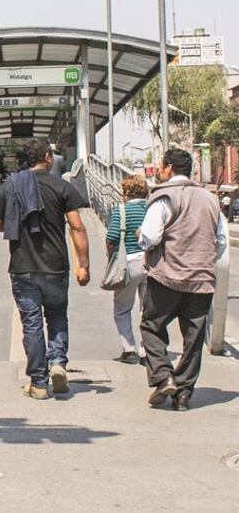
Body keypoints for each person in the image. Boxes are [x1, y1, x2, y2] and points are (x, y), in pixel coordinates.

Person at [0, 138, 91, 400]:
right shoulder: (62, 187)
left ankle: (39, 382)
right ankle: (57, 362)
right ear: (47, 157)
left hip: (23, 266)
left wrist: (16, 223)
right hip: (56, 265)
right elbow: (77, 227)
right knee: (57, 315)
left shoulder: (12, 186)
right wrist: (84, 266)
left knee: (31, 324)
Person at [139, 148, 227, 411]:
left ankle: (164, 375)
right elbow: (220, 242)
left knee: (151, 327)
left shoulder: (163, 198)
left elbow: (150, 237)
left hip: (166, 278)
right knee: (194, 338)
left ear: (167, 168)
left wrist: (140, 237)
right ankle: (185, 391)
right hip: (201, 280)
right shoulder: (210, 199)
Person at [104, 175, 149, 365]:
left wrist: (110, 258)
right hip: (151, 263)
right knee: (147, 310)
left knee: (122, 308)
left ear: (126, 192)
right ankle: (147, 351)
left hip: (129, 263)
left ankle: (129, 349)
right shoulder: (153, 209)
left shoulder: (121, 211)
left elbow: (112, 238)